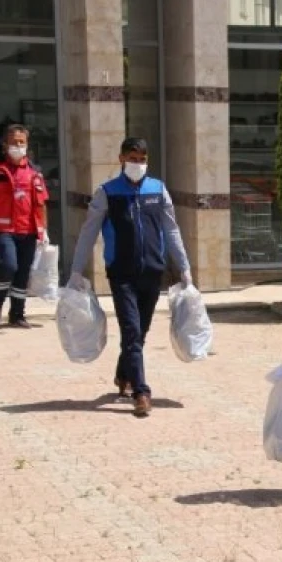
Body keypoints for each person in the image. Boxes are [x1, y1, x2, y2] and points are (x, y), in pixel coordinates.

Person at [67, 137, 193, 418]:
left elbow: (171, 231)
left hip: (152, 271)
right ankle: (141, 392)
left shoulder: (158, 190)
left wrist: (184, 267)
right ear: (121, 158)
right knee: (131, 331)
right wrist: (76, 270)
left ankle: (123, 374)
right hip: (121, 273)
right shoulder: (107, 193)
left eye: (142, 159)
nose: (137, 163)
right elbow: (89, 232)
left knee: (141, 332)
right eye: (132, 158)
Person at [0, 123, 49, 328]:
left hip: (28, 230)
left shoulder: (34, 173)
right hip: (3, 231)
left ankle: (17, 314)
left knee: (22, 273)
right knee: (9, 265)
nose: (18, 146)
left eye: (22, 142)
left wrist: (44, 230)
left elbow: (40, 204)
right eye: (14, 142)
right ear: (5, 145)